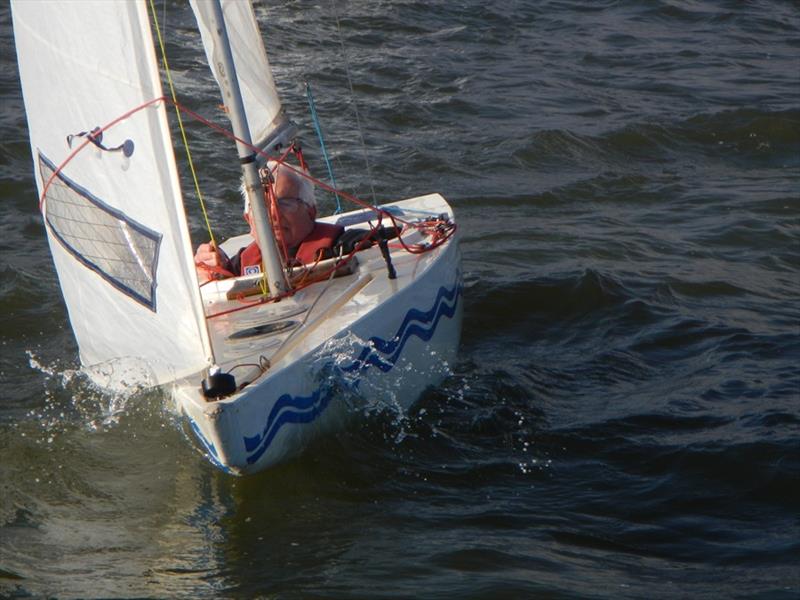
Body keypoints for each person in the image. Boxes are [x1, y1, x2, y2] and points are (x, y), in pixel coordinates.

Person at [194, 162, 382, 283]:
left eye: (286, 203)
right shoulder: (238, 266)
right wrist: (212, 269)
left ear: (311, 211)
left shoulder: (344, 245)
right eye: (262, 205)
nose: (274, 214)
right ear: (248, 219)